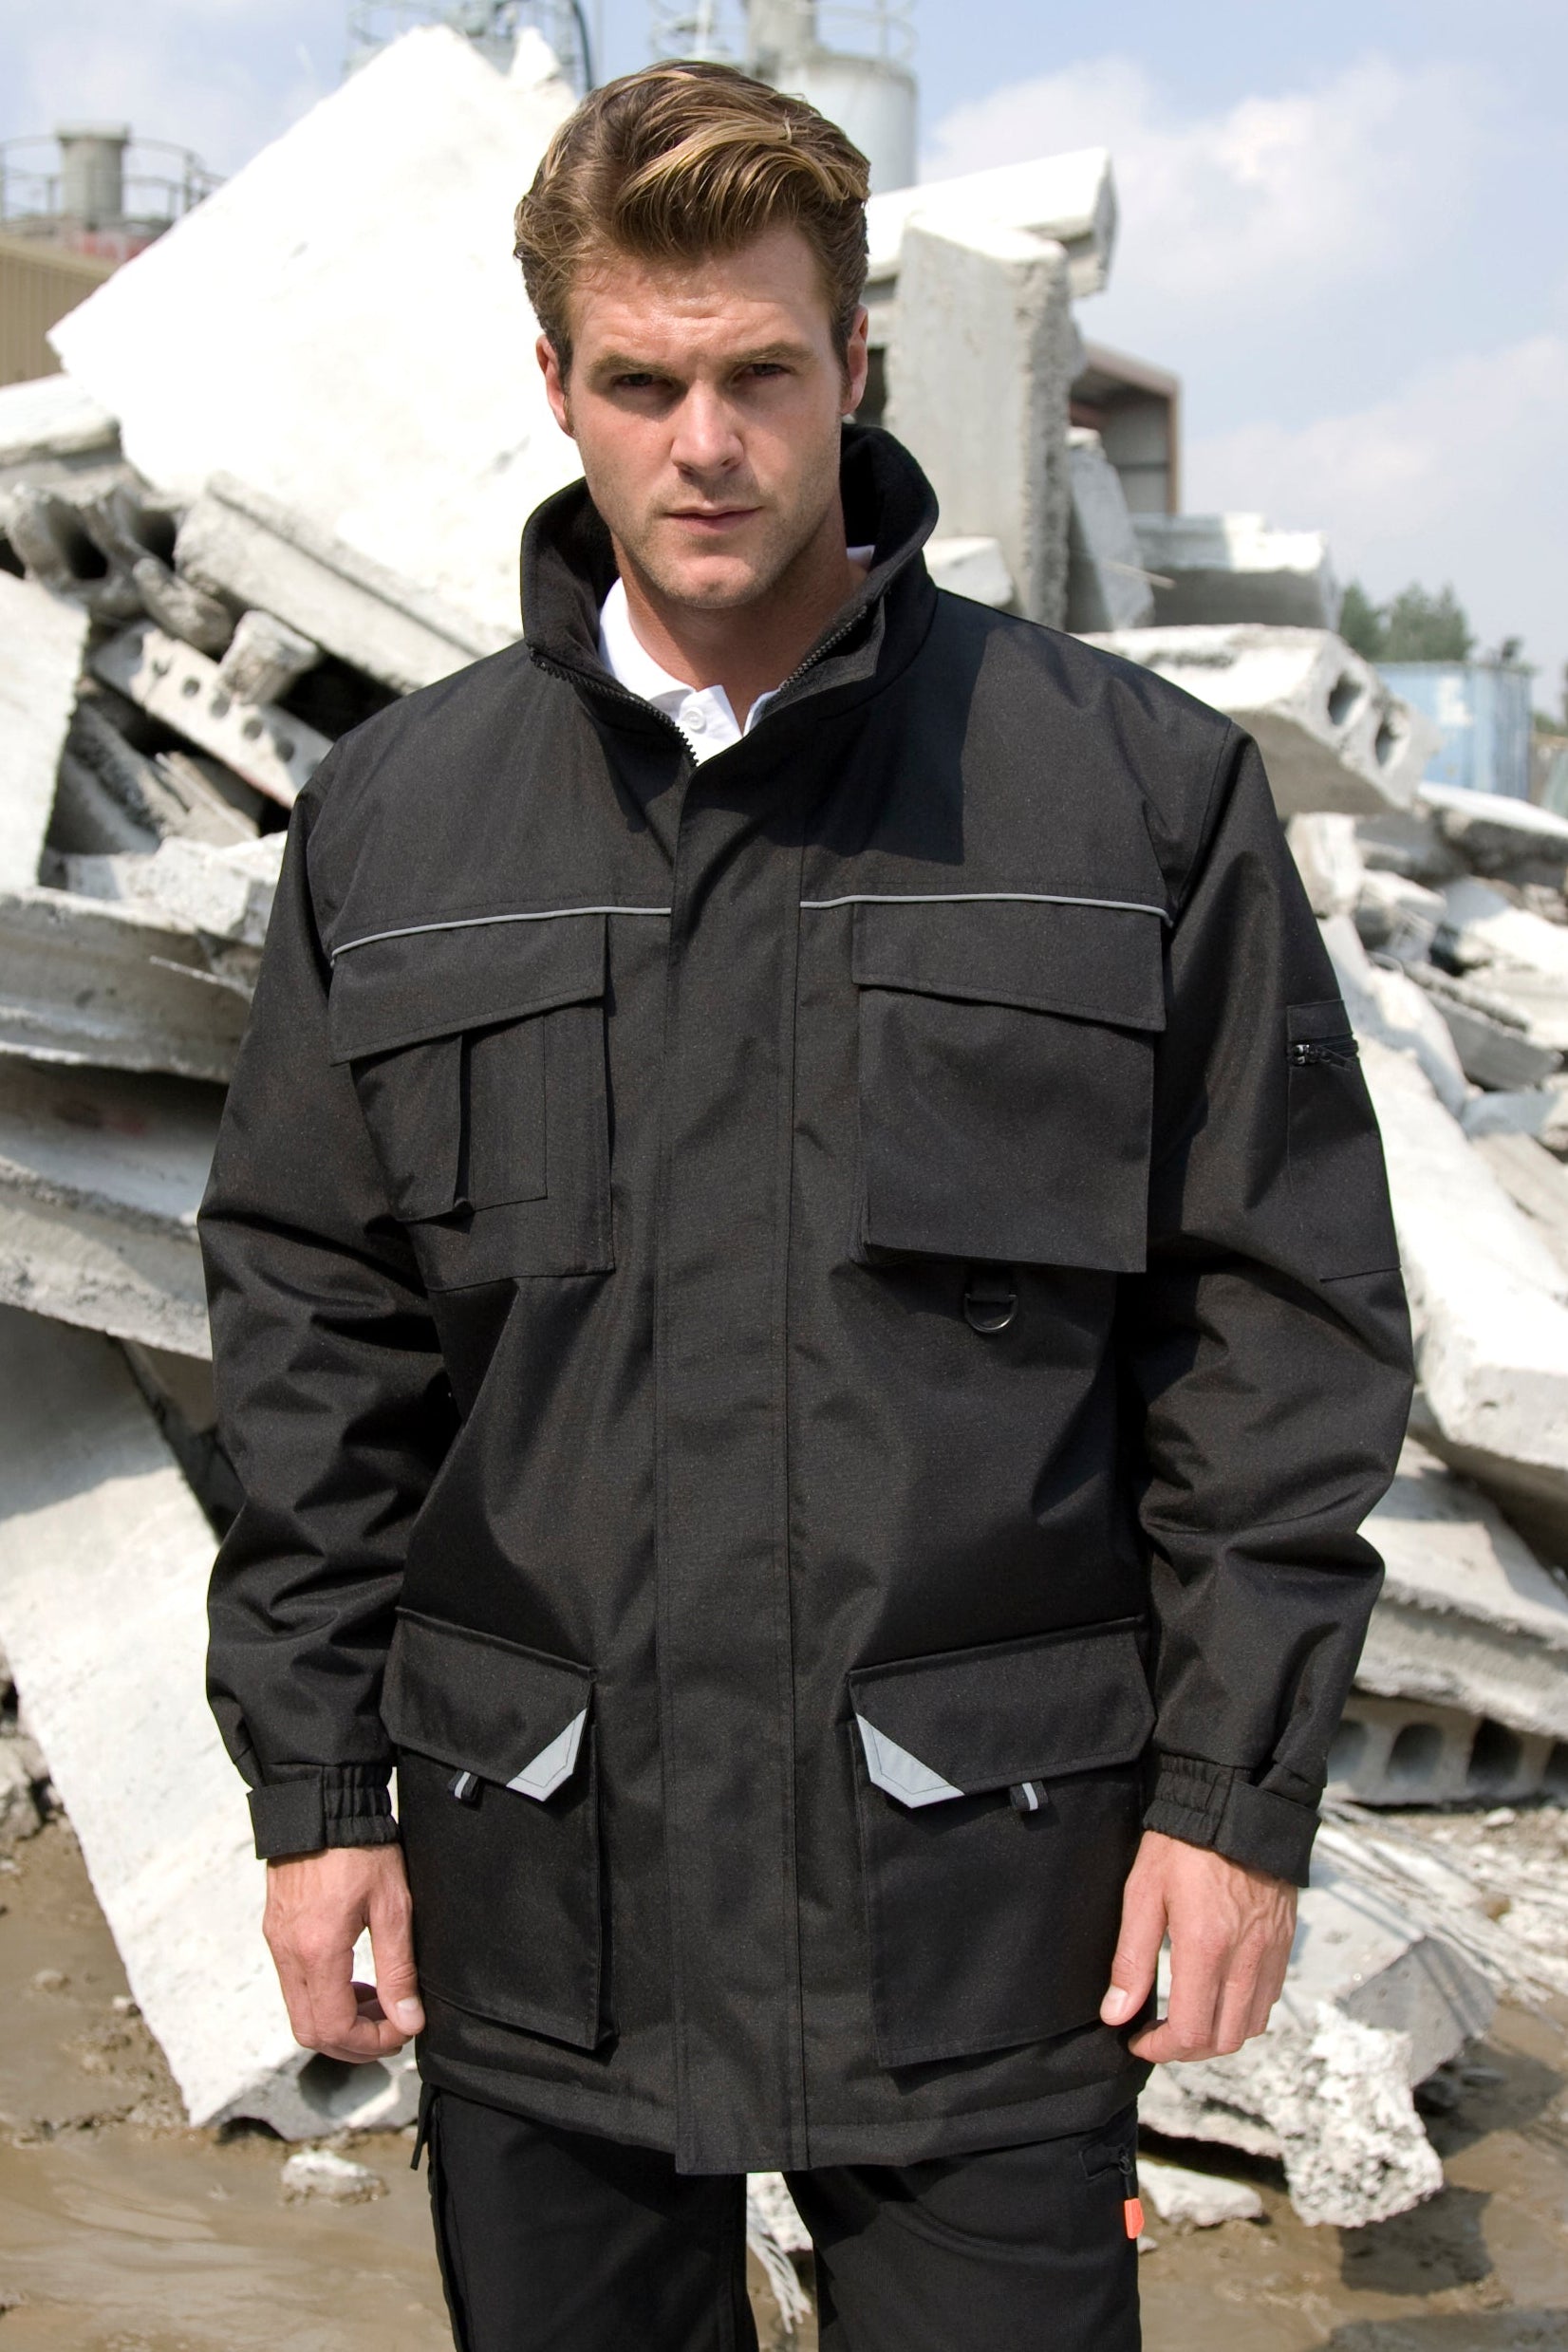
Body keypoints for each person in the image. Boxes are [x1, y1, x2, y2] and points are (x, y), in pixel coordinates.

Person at [201, 60, 1412, 2352]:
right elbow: (309, 1356)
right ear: (552, 382)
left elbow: (1283, 1334)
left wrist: (1238, 1801)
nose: (705, 443)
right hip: (538, 1880)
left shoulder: (1126, 800)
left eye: (761, 373)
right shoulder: (395, 831)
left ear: (857, 366)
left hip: (987, 1900)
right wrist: (313, 1793)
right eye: (641, 383)